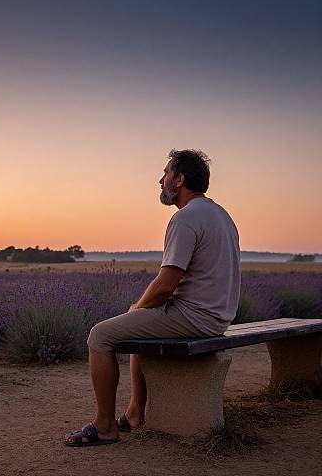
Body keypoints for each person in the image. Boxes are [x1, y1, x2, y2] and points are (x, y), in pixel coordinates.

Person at [65, 149, 240, 447]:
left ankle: (105, 426)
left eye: (166, 173)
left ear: (180, 179)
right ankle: (135, 414)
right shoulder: (222, 215)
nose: (160, 181)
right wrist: (140, 312)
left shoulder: (185, 219)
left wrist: (138, 307)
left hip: (193, 318)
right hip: (218, 317)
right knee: (138, 324)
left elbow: (165, 285)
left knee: (100, 336)